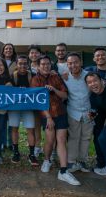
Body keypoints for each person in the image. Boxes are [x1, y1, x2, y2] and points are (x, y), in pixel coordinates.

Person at [31, 55, 80, 185]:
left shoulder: (56, 77)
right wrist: (48, 117)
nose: (46, 66)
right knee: (50, 139)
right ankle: (47, 160)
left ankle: (63, 171)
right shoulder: (35, 79)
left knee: (62, 140)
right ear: (39, 66)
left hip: (61, 112)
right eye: (43, 64)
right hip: (47, 115)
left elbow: (64, 95)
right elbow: (37, 101)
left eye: (48, 64)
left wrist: (54, 90)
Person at [63, 53, 92, 173]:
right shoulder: (64, 77)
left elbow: (102, 84)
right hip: (72, 111)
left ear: (80, 63)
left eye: (75, 62)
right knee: (73, 137)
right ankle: (71, 162)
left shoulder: (89, 76)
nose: (73, 65)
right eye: (70, 63)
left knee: (86, 137)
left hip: (89, 112)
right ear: (67, 65)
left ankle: (82, 161)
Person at [9, 55, 39, 166]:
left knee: (30, 130)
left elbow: (38, 87)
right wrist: (15, 89)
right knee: (14, 129)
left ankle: (32, 154)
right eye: (20, 63)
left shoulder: (33, 75)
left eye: (25, 63)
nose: (22, 65)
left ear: (28, 64)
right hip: (15, 107)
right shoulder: (13, 75)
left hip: (28, 107)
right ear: (16, 64)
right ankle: (16, 152)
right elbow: (8, 88)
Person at [27, 44, 43, 157]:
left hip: (40, 100)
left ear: (40, 54)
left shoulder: (44, 66)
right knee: (30, 125)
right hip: (27, 100)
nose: (34, 54)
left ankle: (38, 147)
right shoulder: (24, 66)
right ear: (29, 55)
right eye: (32, 52)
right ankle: (31, 146)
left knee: (37, 124)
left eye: (36, 52)